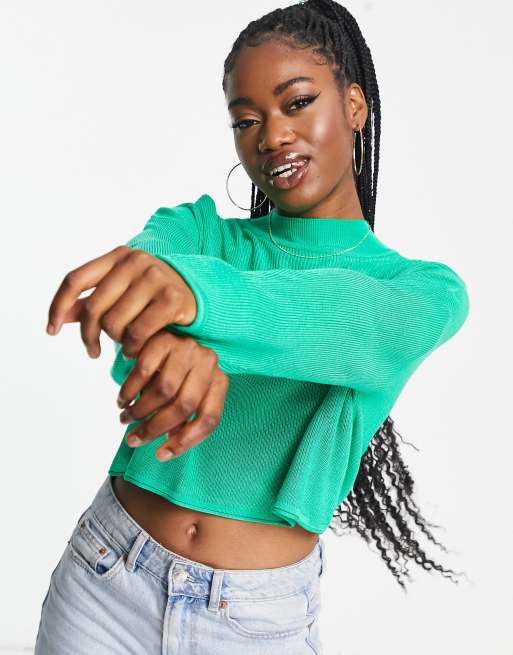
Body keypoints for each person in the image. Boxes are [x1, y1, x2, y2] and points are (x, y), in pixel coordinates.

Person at [35, 1, 470, 653]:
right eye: (246, 120)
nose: (271, 136)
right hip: (105, 582)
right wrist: (168, 334)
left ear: (354, 106)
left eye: (297, 103)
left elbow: (340, 319)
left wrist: (195, 307)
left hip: (255, 622)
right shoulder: (194, 231)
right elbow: (132, 304)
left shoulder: (421, 292)